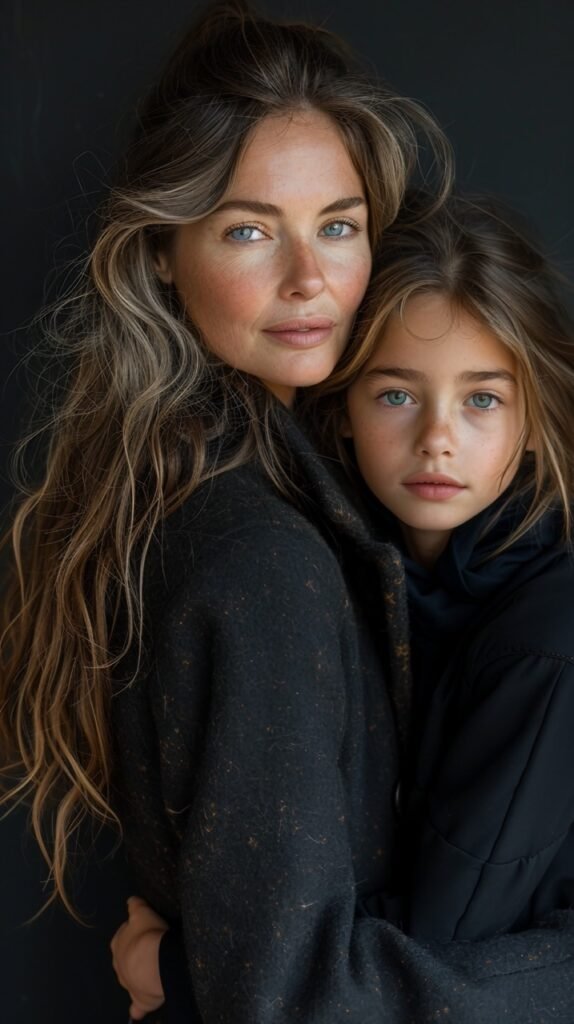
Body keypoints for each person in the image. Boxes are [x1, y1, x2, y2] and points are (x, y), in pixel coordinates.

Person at [2, 0, 574, 1020]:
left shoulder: (275, 496)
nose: (311, 280)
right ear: (163, 253)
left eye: (339, 227)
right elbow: (298, 998)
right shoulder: (261, 555)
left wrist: (178, 972)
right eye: (249, 230)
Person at [314, 190, 574, 940]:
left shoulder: (547, 646)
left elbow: (437, 951)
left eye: (482, 401)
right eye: (396, 394)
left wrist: (174, 970)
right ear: (341, 413)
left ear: (534, 421)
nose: (437, 438)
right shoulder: (358, 587)